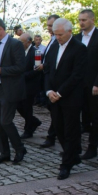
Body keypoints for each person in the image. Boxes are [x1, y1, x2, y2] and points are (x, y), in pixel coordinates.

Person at [45, 18, 87, 180]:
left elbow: (77, 75)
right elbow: (48, 70)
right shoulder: (54, 46)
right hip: (53, 96)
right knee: (59, 128)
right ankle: (73, 155)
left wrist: (60, 93)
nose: (58, 37)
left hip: (70, 97)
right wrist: (49, 91)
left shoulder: (79, 48)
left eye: (61, 34)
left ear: (70, 32)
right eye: (55, 34)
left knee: (71, 130)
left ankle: (66, 164)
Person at [0, 17, 27, 164]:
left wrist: (1, 70)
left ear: (0, 29)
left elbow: (21, 67)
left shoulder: (15, 44)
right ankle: (4, 153)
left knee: (6, 121)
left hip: (9, 89)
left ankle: (20, 148)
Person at [73, 9, 98, 160]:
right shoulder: (76, 38)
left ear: (92, 20)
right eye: (79, 20)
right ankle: (75, 148)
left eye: (84, 20)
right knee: (76, 116)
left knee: (94, 116)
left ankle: (92, 148)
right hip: (77, 84)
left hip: (94, 84)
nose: (81, 23)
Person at [39, 14, 61, 148]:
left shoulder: (60, 40)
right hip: (47, 78)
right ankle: (53, 134)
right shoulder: (52, 40)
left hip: (55, 80)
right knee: (52, 109)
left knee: (56, 110)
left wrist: (45, 65)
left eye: (51, 25)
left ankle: (52, 136)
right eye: (47, 25)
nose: (49, 28)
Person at [17, 33, 42, 139]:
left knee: (27, 107)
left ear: (28, 42)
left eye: (21, 42)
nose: (20, 44)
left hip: (30, 85)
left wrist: (23, 76)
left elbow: (36, 70)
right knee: (19, 106)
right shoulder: (20, 52)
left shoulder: (35, 53)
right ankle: (34, 121)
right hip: (21, 85)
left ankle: (28, 129)